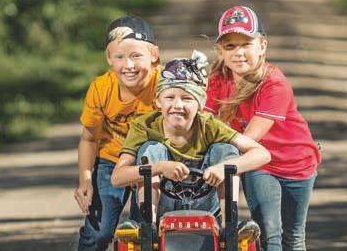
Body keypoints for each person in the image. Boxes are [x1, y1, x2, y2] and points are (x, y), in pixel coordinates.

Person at [205, 5, 321, 251]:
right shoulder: (217, 81)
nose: (238, 52)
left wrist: (215, 135)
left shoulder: (274, 82)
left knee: (293, 236)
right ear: (221, 50)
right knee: (268, 228)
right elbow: (206, 123)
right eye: (230, 46)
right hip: (260, 164)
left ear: (262, 45)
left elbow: (251, 137)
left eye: (245, 44)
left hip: (297, 163)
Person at [39, 15, 161, 251]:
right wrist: (85, 177)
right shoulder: (101, 88)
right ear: (109, 58)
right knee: (100, 230)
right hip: (109, 161)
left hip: (151, 161)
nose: (128, 64)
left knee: (146, 227)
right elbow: (89, 137)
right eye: (119, 56)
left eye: (136, 55)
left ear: (154, 55)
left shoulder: (164, 84)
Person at [110, 50, 271, 221]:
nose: (177, 105)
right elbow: (117, 177)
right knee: (151, 148)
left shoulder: (209, 126)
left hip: (207, 202)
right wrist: (160, 167)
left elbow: (263, 154)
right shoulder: (144, 126)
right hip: (162, 202)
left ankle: (229, 224)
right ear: (158, 101)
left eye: (187, 98)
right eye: (170, 97)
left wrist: (223, 168)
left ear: (200, 104)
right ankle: (148, 225)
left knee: (225, 149)